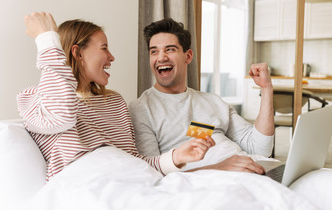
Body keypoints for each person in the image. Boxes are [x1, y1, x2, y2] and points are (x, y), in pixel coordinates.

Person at [17, 12, 215, 182]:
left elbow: (134, 161)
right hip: (85, 186)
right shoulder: (36, 100)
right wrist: (47, 39)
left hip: (132, 181)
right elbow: (61, 115)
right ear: (78, 53)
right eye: (104, 48)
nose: (112, 57)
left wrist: (175, 157)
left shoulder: (113, 102)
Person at [129, 18, 275, 174]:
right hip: (211, 182)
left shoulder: (212, 101)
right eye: (154, 51)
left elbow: (260, 148)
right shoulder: (141, 109)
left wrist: (266, 89)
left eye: (170, 49)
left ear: (188, 56)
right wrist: (220, 168)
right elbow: (153, 172)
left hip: (250, 169)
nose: (161, 57)